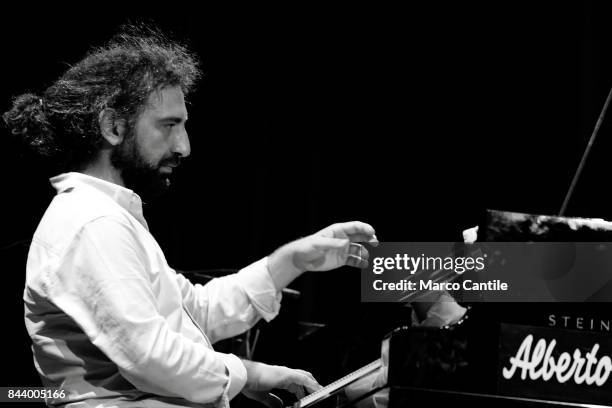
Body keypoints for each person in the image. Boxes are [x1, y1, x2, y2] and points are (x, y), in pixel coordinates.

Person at [3, 25, 378, 408]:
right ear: (113, 127)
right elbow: (151, 357)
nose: (184, 146)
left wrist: (291, 260)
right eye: (169, 125)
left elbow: (194, 311)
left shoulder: (107, 217)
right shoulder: (93, 223)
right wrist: (251, 373)